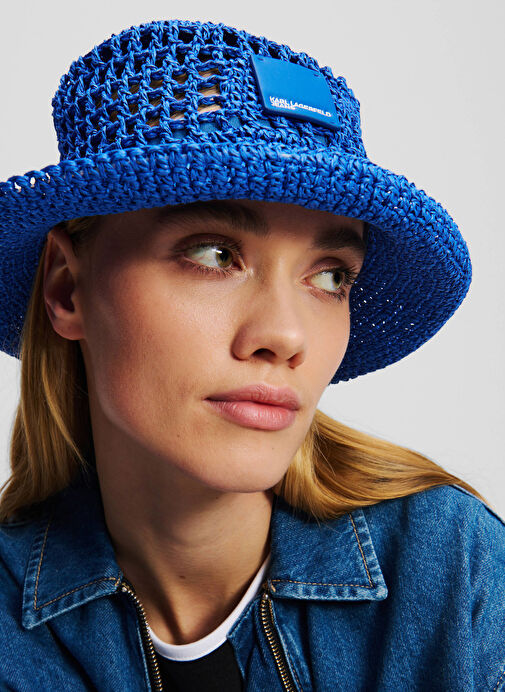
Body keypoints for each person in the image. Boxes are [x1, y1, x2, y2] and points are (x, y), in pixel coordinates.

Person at [0, 17, 504, 692]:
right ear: (67, 288)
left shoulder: (449, 567)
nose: (285, 335)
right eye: (214, 254)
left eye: (331, 276)